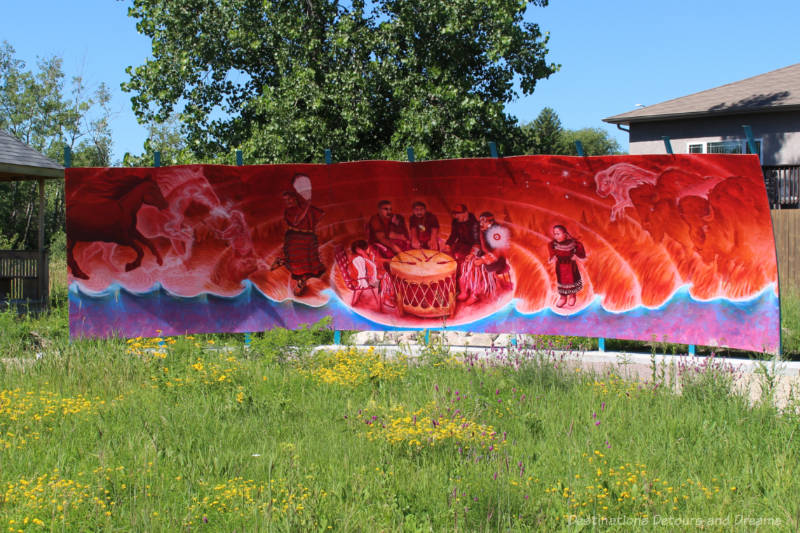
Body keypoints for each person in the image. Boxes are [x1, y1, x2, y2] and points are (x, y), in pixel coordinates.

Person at [273, 184, 325, 296]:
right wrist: (306, 208)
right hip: (295, 238)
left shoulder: (305, 207)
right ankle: (285, 264)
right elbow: (296, 221)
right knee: (297, 263)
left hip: (309, 238)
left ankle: (284, 263)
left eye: (289, 199)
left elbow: (320, 214)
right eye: (285, 200)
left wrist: (307, 206)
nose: (287, 202)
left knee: (310, 264)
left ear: (295, 197)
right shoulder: (289, 212)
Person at [457, 212, 510, 305]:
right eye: (480, 221)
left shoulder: (497, 232)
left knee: (479, 268)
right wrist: (472, 254)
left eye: (484, 221)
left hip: (497, 259)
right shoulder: (480, 230)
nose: (481, 223)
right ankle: (464, 291)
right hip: (483, 254)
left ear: (491, 222)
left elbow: (499, 251)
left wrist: (483, 260)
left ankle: (475, 294)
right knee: (467, 263)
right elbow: (477, 244)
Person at [548, 224, 586, 308]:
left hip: (571, 266)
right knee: (562, 282)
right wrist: (553, 256)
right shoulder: (553, 244)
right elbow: (551, 250)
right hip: (560, 267)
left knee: (572, 281)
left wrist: (576, 255)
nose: (556, 236)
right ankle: (563, 298)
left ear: (565, 234)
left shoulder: (572, 243)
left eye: (558, 234)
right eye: (554, 234)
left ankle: (572, 296)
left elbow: (579, 247)